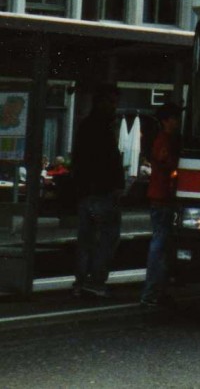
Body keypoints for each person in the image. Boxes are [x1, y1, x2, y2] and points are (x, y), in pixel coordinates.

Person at [72, 84, 125, 298]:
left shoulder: (84, 126)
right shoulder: (104, 129)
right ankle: (96, 281)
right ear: (102, 102)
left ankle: (80, 282)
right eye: (112, 102)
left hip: (84, 193)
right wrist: (118, 185)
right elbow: (110, 161)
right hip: (103, 192)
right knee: (107, 238)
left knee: (85, 240)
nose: (114, 107)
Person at [141, 103, 182, 307]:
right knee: (160, 244)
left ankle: (158, 291)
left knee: (162, 244)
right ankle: (151, 292)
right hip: (162, 197)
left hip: (161, 197)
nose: (178, 122)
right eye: (175, 118)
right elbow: (168, 164)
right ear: (166, 120)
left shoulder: (161, 139)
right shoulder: (164, 140)